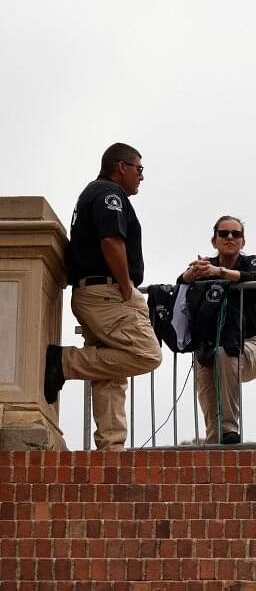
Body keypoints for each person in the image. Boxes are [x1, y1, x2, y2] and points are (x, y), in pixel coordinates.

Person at [44, 143, 162, 450]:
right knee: (147, 353)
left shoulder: (93, 193)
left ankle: (111, 447)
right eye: (139, 169)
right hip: (108, 293)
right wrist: (125, 287)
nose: (141, 177)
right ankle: (64, 361)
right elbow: (111, 240)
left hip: (93, 293)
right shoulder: (110, 194)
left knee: (111, 371)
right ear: (121, 166)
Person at [177, 216, 256, 445]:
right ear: (214, 240)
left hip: (251, 345)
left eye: (235, 234)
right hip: (209, 348)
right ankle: (217, 449)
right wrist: (191, 275)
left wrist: (219, 272)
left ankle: (230, 428)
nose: (230, 238)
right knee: (213, 430)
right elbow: (181, 285)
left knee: (224, 353)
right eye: (224, 233)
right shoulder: (204, 265)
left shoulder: (252, 261)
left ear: (243, 241)